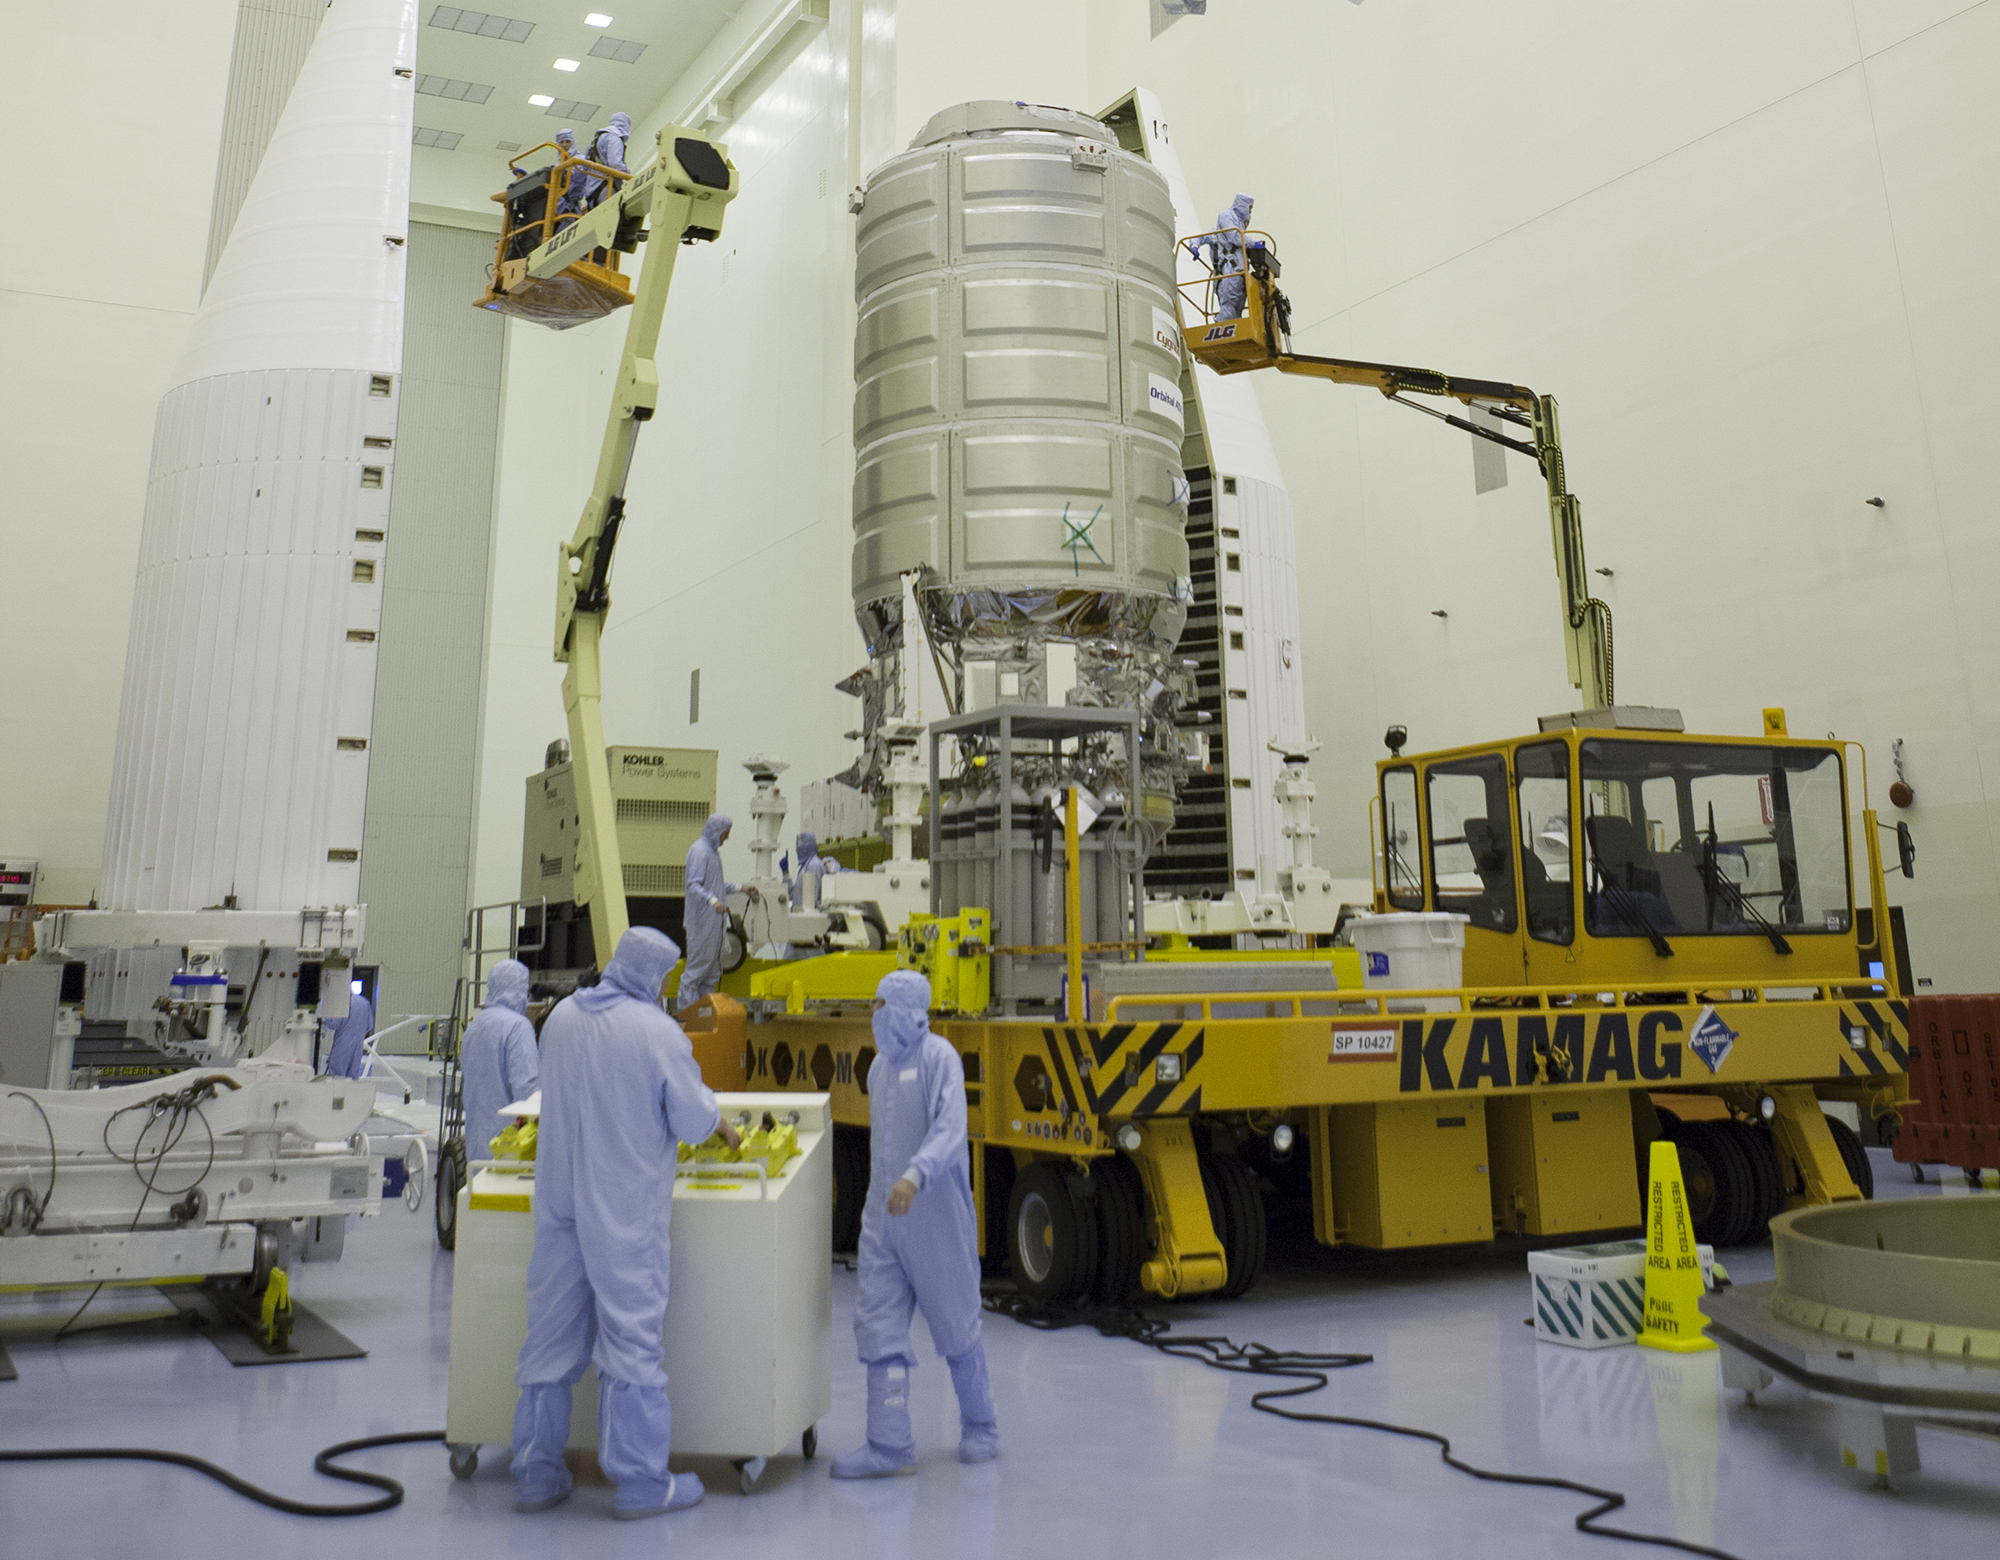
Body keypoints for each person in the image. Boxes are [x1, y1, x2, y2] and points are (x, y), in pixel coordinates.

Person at [511, 926, 740, 1520]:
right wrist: (717, 1121)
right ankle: (640, 1482)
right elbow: (691, 1121)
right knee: (631, 1341)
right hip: (622, 1212)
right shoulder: (656, 1032)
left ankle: (537, 1472)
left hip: (560, 1203)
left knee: (549, 1337)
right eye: (665, 979)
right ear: (654, 976)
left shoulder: (560, 1018)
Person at [832, 970, 997, 1477]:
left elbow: (952, 1127)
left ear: (907, 1008)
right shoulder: (880, 1068)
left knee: (955, 1324)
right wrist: (884, 1198)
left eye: (881, 1004)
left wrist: (915, 1174)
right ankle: (889, 1445)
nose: (874, 1014)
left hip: (934, 1217)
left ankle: (980, 1425)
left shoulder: (938, 1058)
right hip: (884, 1222)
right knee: (878, 1326)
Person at [459, 960, 540, 1156]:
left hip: (476, 1144)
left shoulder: (474, 1027)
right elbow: (527, 1091)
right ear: (519, 989)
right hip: (507, 1146)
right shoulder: (518, 1027)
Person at [681, 813, 753, 1011]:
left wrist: (740, 888)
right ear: (716, 831)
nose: (727, 838)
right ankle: (686, 1016)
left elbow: (716, 885)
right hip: (701, 923)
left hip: (713, 924)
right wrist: (713, 901)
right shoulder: (699, 851)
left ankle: (703, 1015)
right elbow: (693, 885)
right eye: (726, 833)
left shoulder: (712, 852)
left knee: (711, 973)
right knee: (695, 972)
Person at [1194, 192, 1255, 320]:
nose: (1250, 212)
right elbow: (1234, 236)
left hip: (1239, 276)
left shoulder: (1237, 232)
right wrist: (1194, 245)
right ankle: (1221, 329)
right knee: (1229, 308)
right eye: (1249, 208)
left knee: (1236, 312)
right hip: (1228, 274)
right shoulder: (1225, 218)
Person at [575, 111, 632, 211]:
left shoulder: (596, 139)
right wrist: (629, 176)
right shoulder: (615, 138)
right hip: (606, 188)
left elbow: (586, 164)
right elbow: (615, 164)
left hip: (591, 191)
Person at [321, 988, 375, 1079]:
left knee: (337, 1078)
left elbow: (334, 1024)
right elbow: (369, 1025)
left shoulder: (343, 1003)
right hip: (357, 1047)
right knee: (352, 1077)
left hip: (342, 1047)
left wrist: (323, 1019)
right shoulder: (364, 1002)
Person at [788, 830, 844, 913]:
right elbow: (794, 894)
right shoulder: (805, 867)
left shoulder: (814, 865)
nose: (797, 849)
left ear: (808, 847)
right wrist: (785, 873)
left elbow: (811, 900)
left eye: (800, 846)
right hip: (799, 916)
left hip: (807, 918)